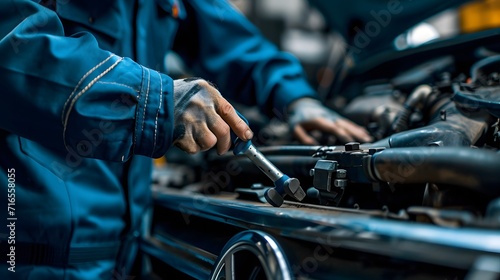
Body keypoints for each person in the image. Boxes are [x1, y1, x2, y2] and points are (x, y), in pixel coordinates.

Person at [0, 0, 371, 278]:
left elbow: (229, 39)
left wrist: (296, 99)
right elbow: (12, 50)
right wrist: (156, 103)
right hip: (29, 252)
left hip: (128, 248)